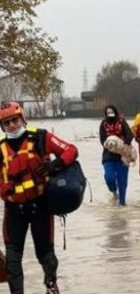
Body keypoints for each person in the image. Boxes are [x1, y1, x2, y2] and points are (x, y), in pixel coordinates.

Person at [0, 102, 78, 294]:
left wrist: (56, 164)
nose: (12, 125)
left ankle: (51, 284)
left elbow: (71, 150)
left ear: (22, 118)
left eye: (15, 120)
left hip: (40, 208)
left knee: (46, 257)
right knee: (12, 260)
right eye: (6, 122)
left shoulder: (41, 137)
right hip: (13, 212)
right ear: (2, 126)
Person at [99, 105, 133, 206]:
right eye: (108, 112)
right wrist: (109, 145)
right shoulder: (103, 124)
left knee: (122, 182)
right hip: (108, 156)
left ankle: (122, 204)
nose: (110, 114)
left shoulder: (122, 122)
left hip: (123, 156)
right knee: (109, 178)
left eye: (111, 112)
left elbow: (129, 135)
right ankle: (114, 193)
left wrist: (122, 145)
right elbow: (102, 139)